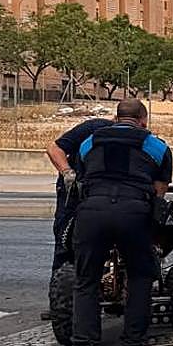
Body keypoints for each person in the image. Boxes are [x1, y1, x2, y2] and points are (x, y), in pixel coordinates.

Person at [63, 99, 173, 346]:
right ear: (143, 120)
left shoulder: (89, 142)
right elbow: (159, 191)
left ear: (116, 117)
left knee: (86, 278)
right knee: (140, 274)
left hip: (92, 212)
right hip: (132, 213)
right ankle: (133, 339)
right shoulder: (156, 145)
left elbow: (82, 177)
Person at [45, 113, 114, 271]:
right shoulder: (93, 128)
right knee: (66, 242)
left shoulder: (135, 138)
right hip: (73, 192)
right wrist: (68, 173)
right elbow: (54, 149)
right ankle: (62, 282)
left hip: (101, 194)